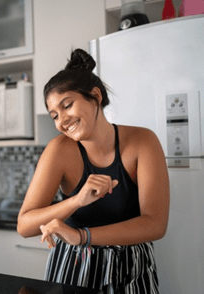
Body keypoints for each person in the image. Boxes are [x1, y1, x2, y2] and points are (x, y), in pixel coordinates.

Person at [17, 49, 169, 293]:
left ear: (95, 96)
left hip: (132, 270)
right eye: (54, 115)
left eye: (67, 106)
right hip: (73, 270)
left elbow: (155, 225)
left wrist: (82, 236)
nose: (62, 120)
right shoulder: (59, 150)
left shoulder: (143, 141)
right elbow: (25, 226)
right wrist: (76, 201)